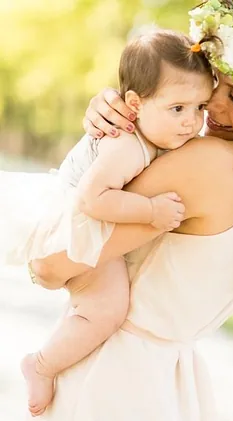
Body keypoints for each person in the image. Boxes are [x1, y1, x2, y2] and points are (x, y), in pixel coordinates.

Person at [28, 0, 233, 419]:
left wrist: (105, 144)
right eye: (212, 84)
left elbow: (53, 264)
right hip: (168, 382)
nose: (212, 107)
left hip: (112, 380)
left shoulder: (212, 163)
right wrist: (133, 113)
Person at [0, 29, 213, 417]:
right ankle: (42, 364)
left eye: (201, 107)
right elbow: (92, 199)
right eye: (178, 109)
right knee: (108, 309)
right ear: (135, 103)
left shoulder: (155, 135)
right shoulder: (127, 145)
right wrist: (150, 212)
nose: (192, 122)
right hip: (70, 224)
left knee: (98, 305)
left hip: (82, 223)